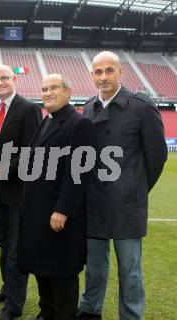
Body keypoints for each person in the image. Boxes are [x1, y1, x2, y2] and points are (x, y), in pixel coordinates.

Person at [77, 51, 167, 320]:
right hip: (93, 201)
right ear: (92, 75)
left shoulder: (141, 105)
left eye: (109, 71)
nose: (103, 77)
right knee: (94, 265)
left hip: (126, 203)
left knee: (130, 269)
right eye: (98, 72)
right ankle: (90, 309)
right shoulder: (89, 105)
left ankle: (130, 315)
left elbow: (157, 156)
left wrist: (135, 188)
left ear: (121, 72)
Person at [17, 74, 96, 320]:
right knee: (42, 268)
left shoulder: (79, 124)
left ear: (68, 91)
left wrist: (63, 209)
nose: (47, 93)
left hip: (58, 215)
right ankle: (46, 313)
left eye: (54, 88)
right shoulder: (47, 120)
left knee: (61, 274)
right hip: (37, 212)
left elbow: (78, 174)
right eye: (44, 89)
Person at [0, 65, 42, 320]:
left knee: (15, 251)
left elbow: (34, 151)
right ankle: (7, 290)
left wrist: (4, 170)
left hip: (19, 191)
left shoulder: (28, 108)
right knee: (4, 245)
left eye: (4, 78)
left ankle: (14, 306)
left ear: (14, 79)